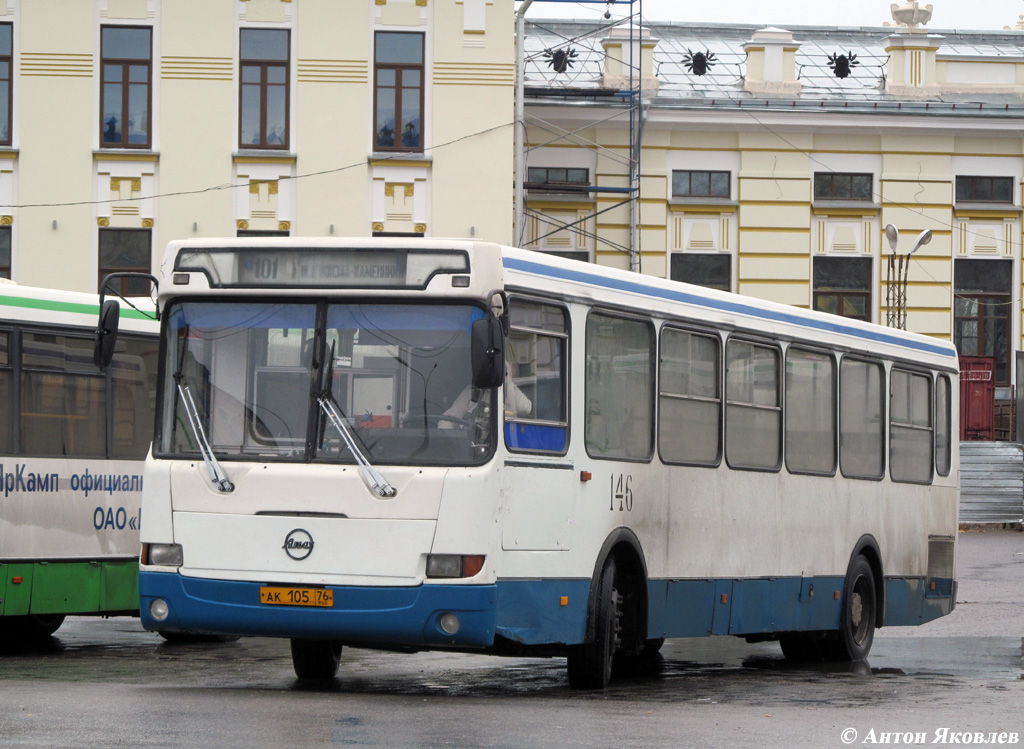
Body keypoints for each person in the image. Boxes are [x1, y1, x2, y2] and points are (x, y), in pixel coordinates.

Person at [439, 360, 531, 429]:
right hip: (472, 445)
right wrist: (446, 437)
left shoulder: (509, 389)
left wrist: (507, 380)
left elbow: (525, 408)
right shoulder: (471, 391)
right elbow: (450, 416)